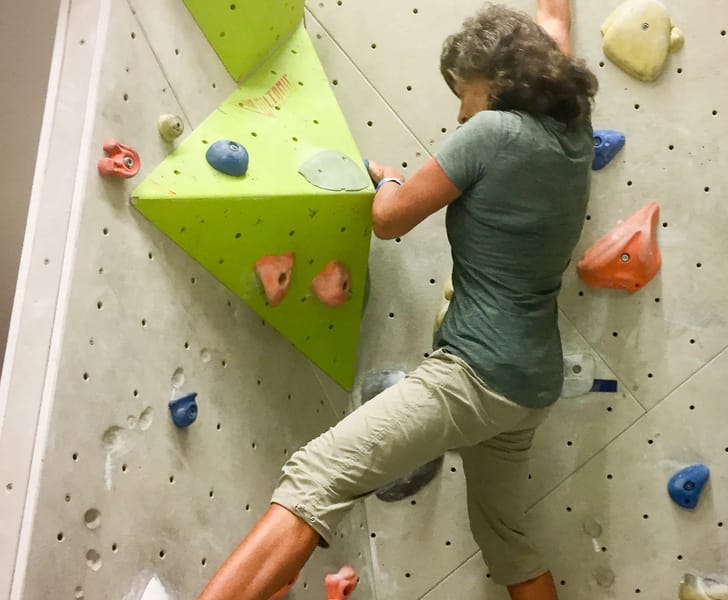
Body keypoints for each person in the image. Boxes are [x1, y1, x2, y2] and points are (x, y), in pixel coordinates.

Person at [198, 2, 597, 599]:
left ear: (501, 78)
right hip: (530, 385)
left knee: (317, 476)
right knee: (505, 539)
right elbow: (555, 27)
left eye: (464, 90)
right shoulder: (574, 131)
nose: (460, 110)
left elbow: (389, 220)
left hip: (477, 373)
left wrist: (386, 178)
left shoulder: (490, 134)